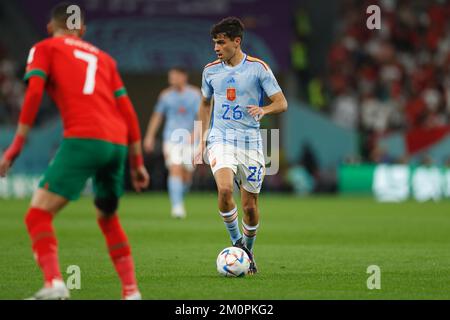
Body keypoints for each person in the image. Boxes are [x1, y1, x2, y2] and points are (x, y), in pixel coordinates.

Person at [0, 2, 149, 299]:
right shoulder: (104, 58)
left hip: (84, 138)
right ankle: (131, 292)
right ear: (82, 30)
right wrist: (137, 162)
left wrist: (16, 145)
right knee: (107, 217)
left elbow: (33, 93)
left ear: (49, 27)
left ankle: (55, 284)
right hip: (117, 144)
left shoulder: (44, 48)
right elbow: (128, 111)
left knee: (37, 216)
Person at [194, 17, 288, 274]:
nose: (216, 48)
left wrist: (264, 109)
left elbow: (281, 102)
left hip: (251, 144)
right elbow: (204, 104)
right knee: (224, 191)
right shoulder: (210, 71)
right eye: (214, 43)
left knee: (249, 207)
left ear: (237, 42)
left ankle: (249, 248)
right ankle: (238, 245)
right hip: (220, 140)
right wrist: (201, 138)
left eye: (221, 42)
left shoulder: (258, 68)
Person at [143, 67, 201, 218]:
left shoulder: (195, 95)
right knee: (175, 167)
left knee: (187, 175)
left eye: (175, 76)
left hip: (191, 138)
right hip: (171, 138)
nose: (172, 79)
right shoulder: (166, 95)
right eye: (171, 76)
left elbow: (202, 117)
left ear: (184, 76)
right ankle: (177, 206)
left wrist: (196, 134)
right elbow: (157, 116)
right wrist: (149, 136)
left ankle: (179, 199)